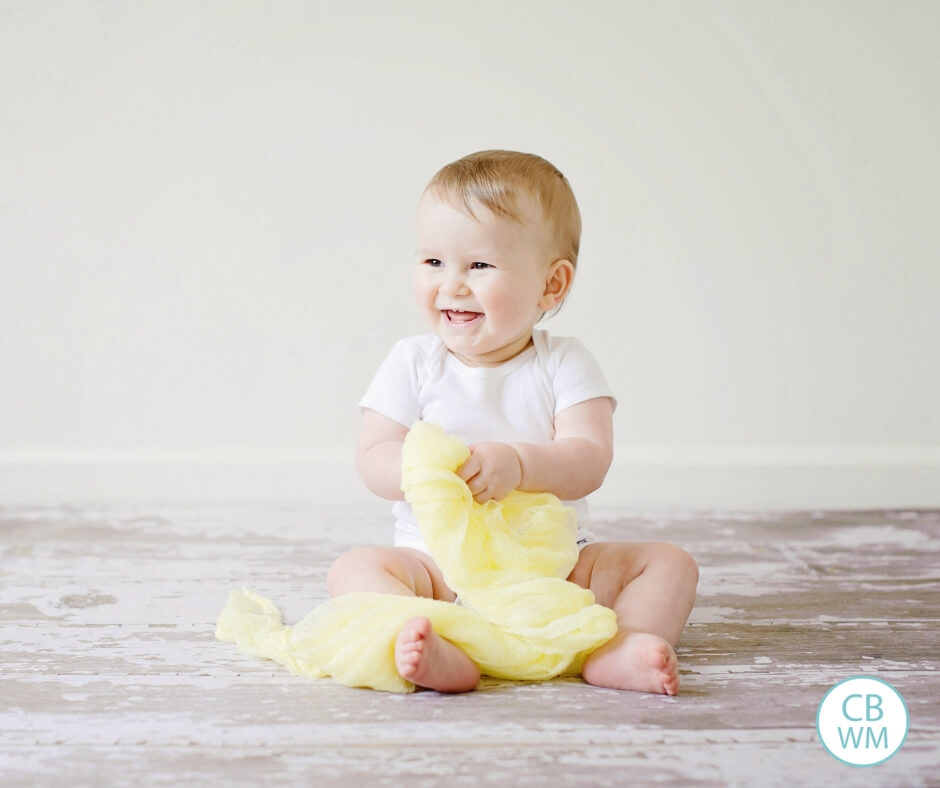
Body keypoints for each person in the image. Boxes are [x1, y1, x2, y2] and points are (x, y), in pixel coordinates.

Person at [327, 150, 699, 695]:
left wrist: (519, 463)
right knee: (352, 570)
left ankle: (625, 646)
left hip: (553, 569)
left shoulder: (563, 362)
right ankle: (438, 642)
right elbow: (373, 454)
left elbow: (589, 458)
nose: (451, 285)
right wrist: (426, 474)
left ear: (552, 285)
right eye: (433, 262)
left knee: (670, 564)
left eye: (478, 265)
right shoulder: (412, 362)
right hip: (436, 567)